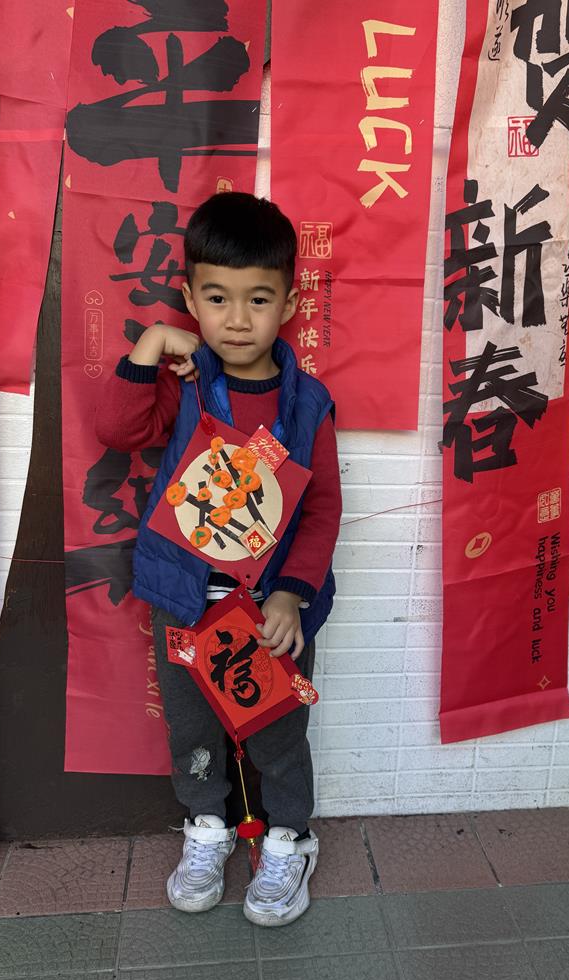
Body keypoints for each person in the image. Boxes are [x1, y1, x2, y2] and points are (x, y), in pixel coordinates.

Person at [95, 192, 341, 927]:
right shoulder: (188, 388)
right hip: (185, 602)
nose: (237, 319)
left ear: (288, 303)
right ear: (189, 298)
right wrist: (150, 345)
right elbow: (117, 429)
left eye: (258, 299)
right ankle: (207, 827)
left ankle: (290, 840)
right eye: (216, 297)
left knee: (277, 735)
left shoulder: (308, 404)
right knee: (192, 730)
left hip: (269, 612)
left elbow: (323, 509)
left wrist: (292, 593)